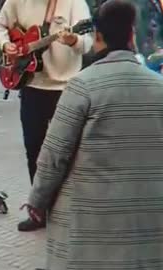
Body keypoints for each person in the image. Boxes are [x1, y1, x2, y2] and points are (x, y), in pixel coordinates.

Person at [25, 1, 163, 269]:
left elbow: (54, 155)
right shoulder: (158, 88)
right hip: (148, 230)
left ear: (97, 36)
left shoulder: (83, 85)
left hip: (89, 234)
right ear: (132, 35)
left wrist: (37, 201)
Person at [0, 0, 93, 231]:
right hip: (32, 85)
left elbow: (87, 43)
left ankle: (67, 209)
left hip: (65, 88)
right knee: (34, 149)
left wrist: (74, 40)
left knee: (68, 153)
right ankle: (38, 210)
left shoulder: (74, 3)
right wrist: (6, 44)